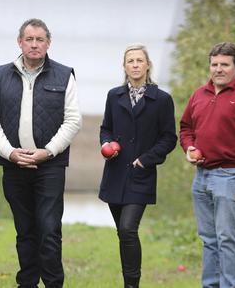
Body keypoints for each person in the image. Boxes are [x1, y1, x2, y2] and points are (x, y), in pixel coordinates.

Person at [0, 18, 82, 288]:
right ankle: (26, 283)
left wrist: (48, 152)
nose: (35, 44)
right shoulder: (0, 75)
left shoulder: (64, 75)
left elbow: (73, 121)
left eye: (40, 39)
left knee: (49, 231)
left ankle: (53, 284)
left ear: (48, 43)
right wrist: (10, 153)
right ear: (20, 42)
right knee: (25, 232)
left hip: (49, 167)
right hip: (13, 166)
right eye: (30, 39)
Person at [179, 42, 235, 288]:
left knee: (226, 238)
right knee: (208, 239)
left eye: (225, 65)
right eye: (214, 64)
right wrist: (189, 147)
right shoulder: (199, 94)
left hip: (231, 176)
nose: (218, 69)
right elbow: (186, 127)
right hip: (201, 176)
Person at [98, 44, 177, 288]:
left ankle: (132, 285)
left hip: (141, 173)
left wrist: (147, 158)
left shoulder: (162, 99)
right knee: (123, 233)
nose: (134, 64)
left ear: (147, 65)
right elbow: (106, 128)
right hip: (115, 173)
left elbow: (169, 138)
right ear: (124, 66)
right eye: (130, 60)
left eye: (139, 60)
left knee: (128, 229)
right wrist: (107, 143)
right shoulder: (114, 96)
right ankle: (128, 283)